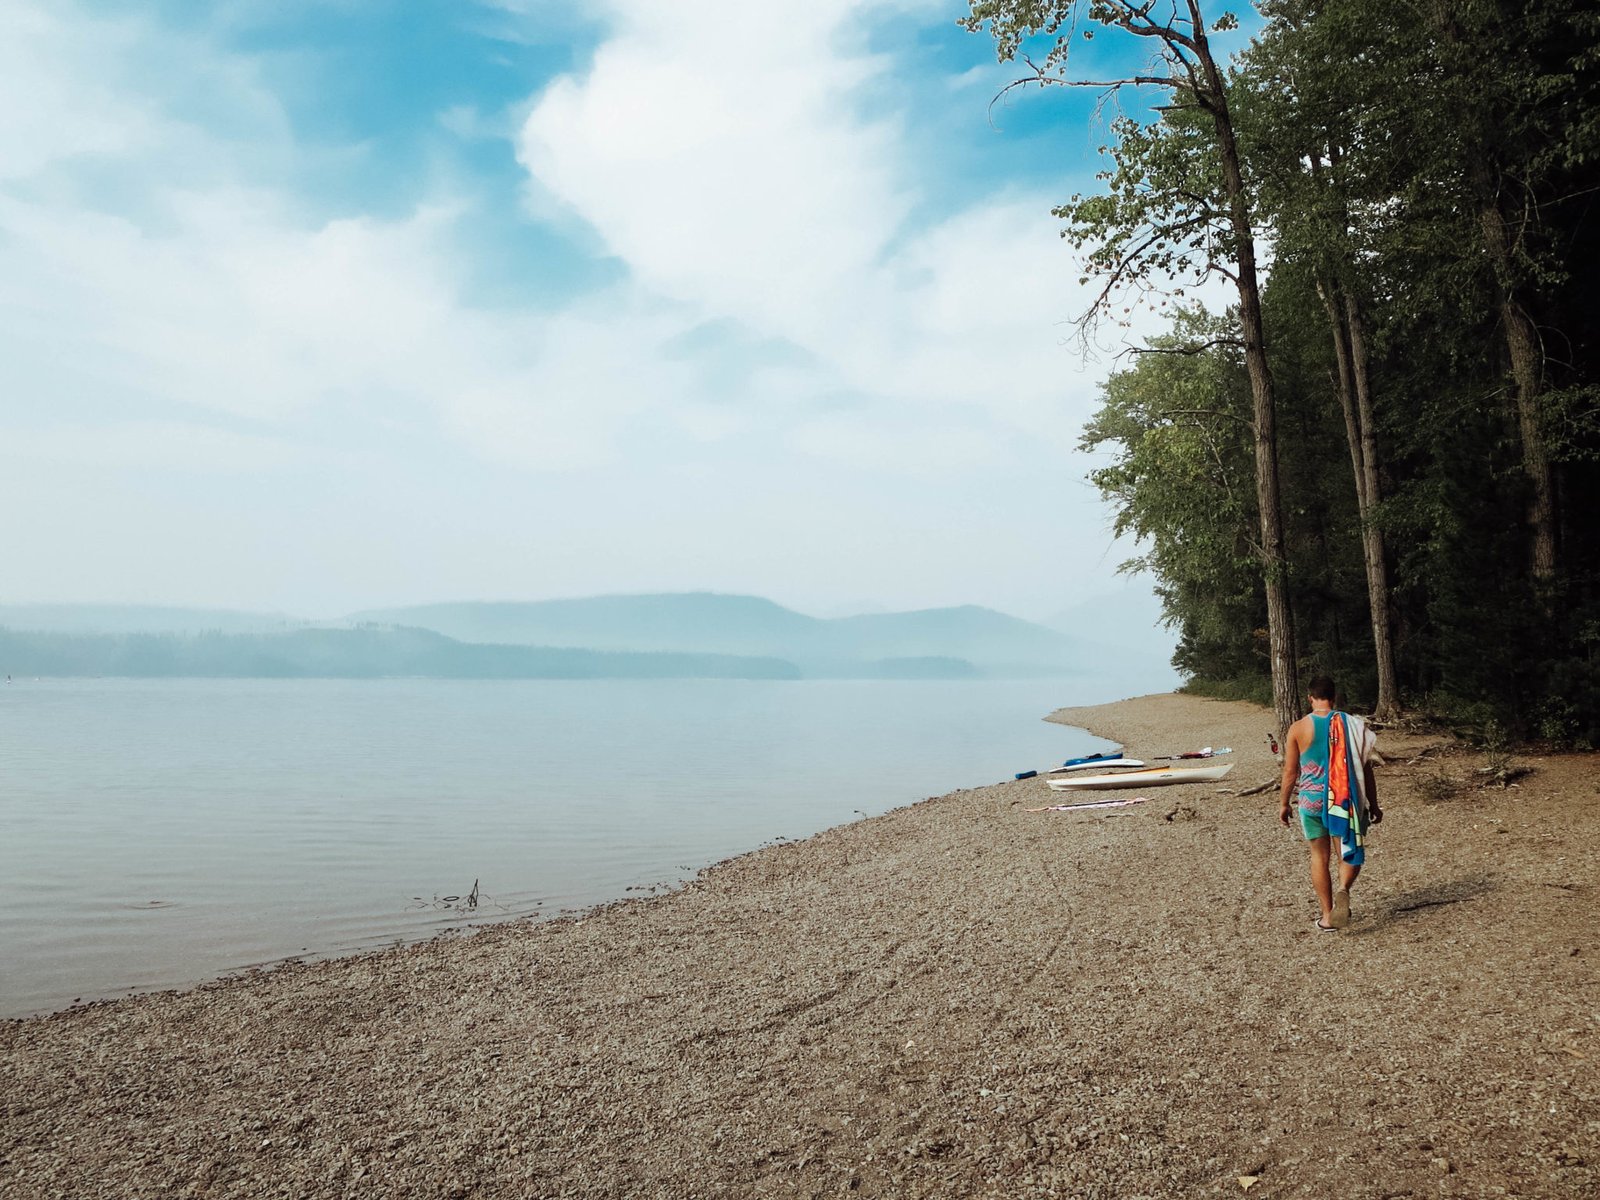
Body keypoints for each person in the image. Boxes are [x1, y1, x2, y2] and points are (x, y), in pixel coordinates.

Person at [1277, 676, 1383, 931]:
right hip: (1343, 799)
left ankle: (1326, 915)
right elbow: (1365, 770)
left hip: (1311, 800)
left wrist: (1284, 803)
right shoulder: (1352, 726)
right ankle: (1343, 889)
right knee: (1346, 850)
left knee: (1318, 855)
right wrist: (1374, 803)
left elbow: (1291, 772)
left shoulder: (1299, 728)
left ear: (1310, 698)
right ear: (1334, 697)